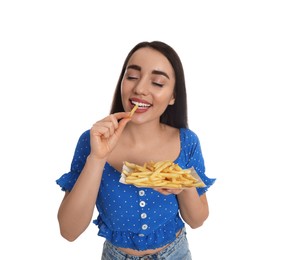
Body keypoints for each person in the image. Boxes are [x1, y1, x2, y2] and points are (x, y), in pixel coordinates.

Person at [56, 41, 216, 260]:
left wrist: (183, 185)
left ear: (173, 96)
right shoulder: (91, 141)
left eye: (158, 83)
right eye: (131, 77)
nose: (140, 88)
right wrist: (97, 158)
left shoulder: (187, 142)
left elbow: (198, 220)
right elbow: (69, 231)